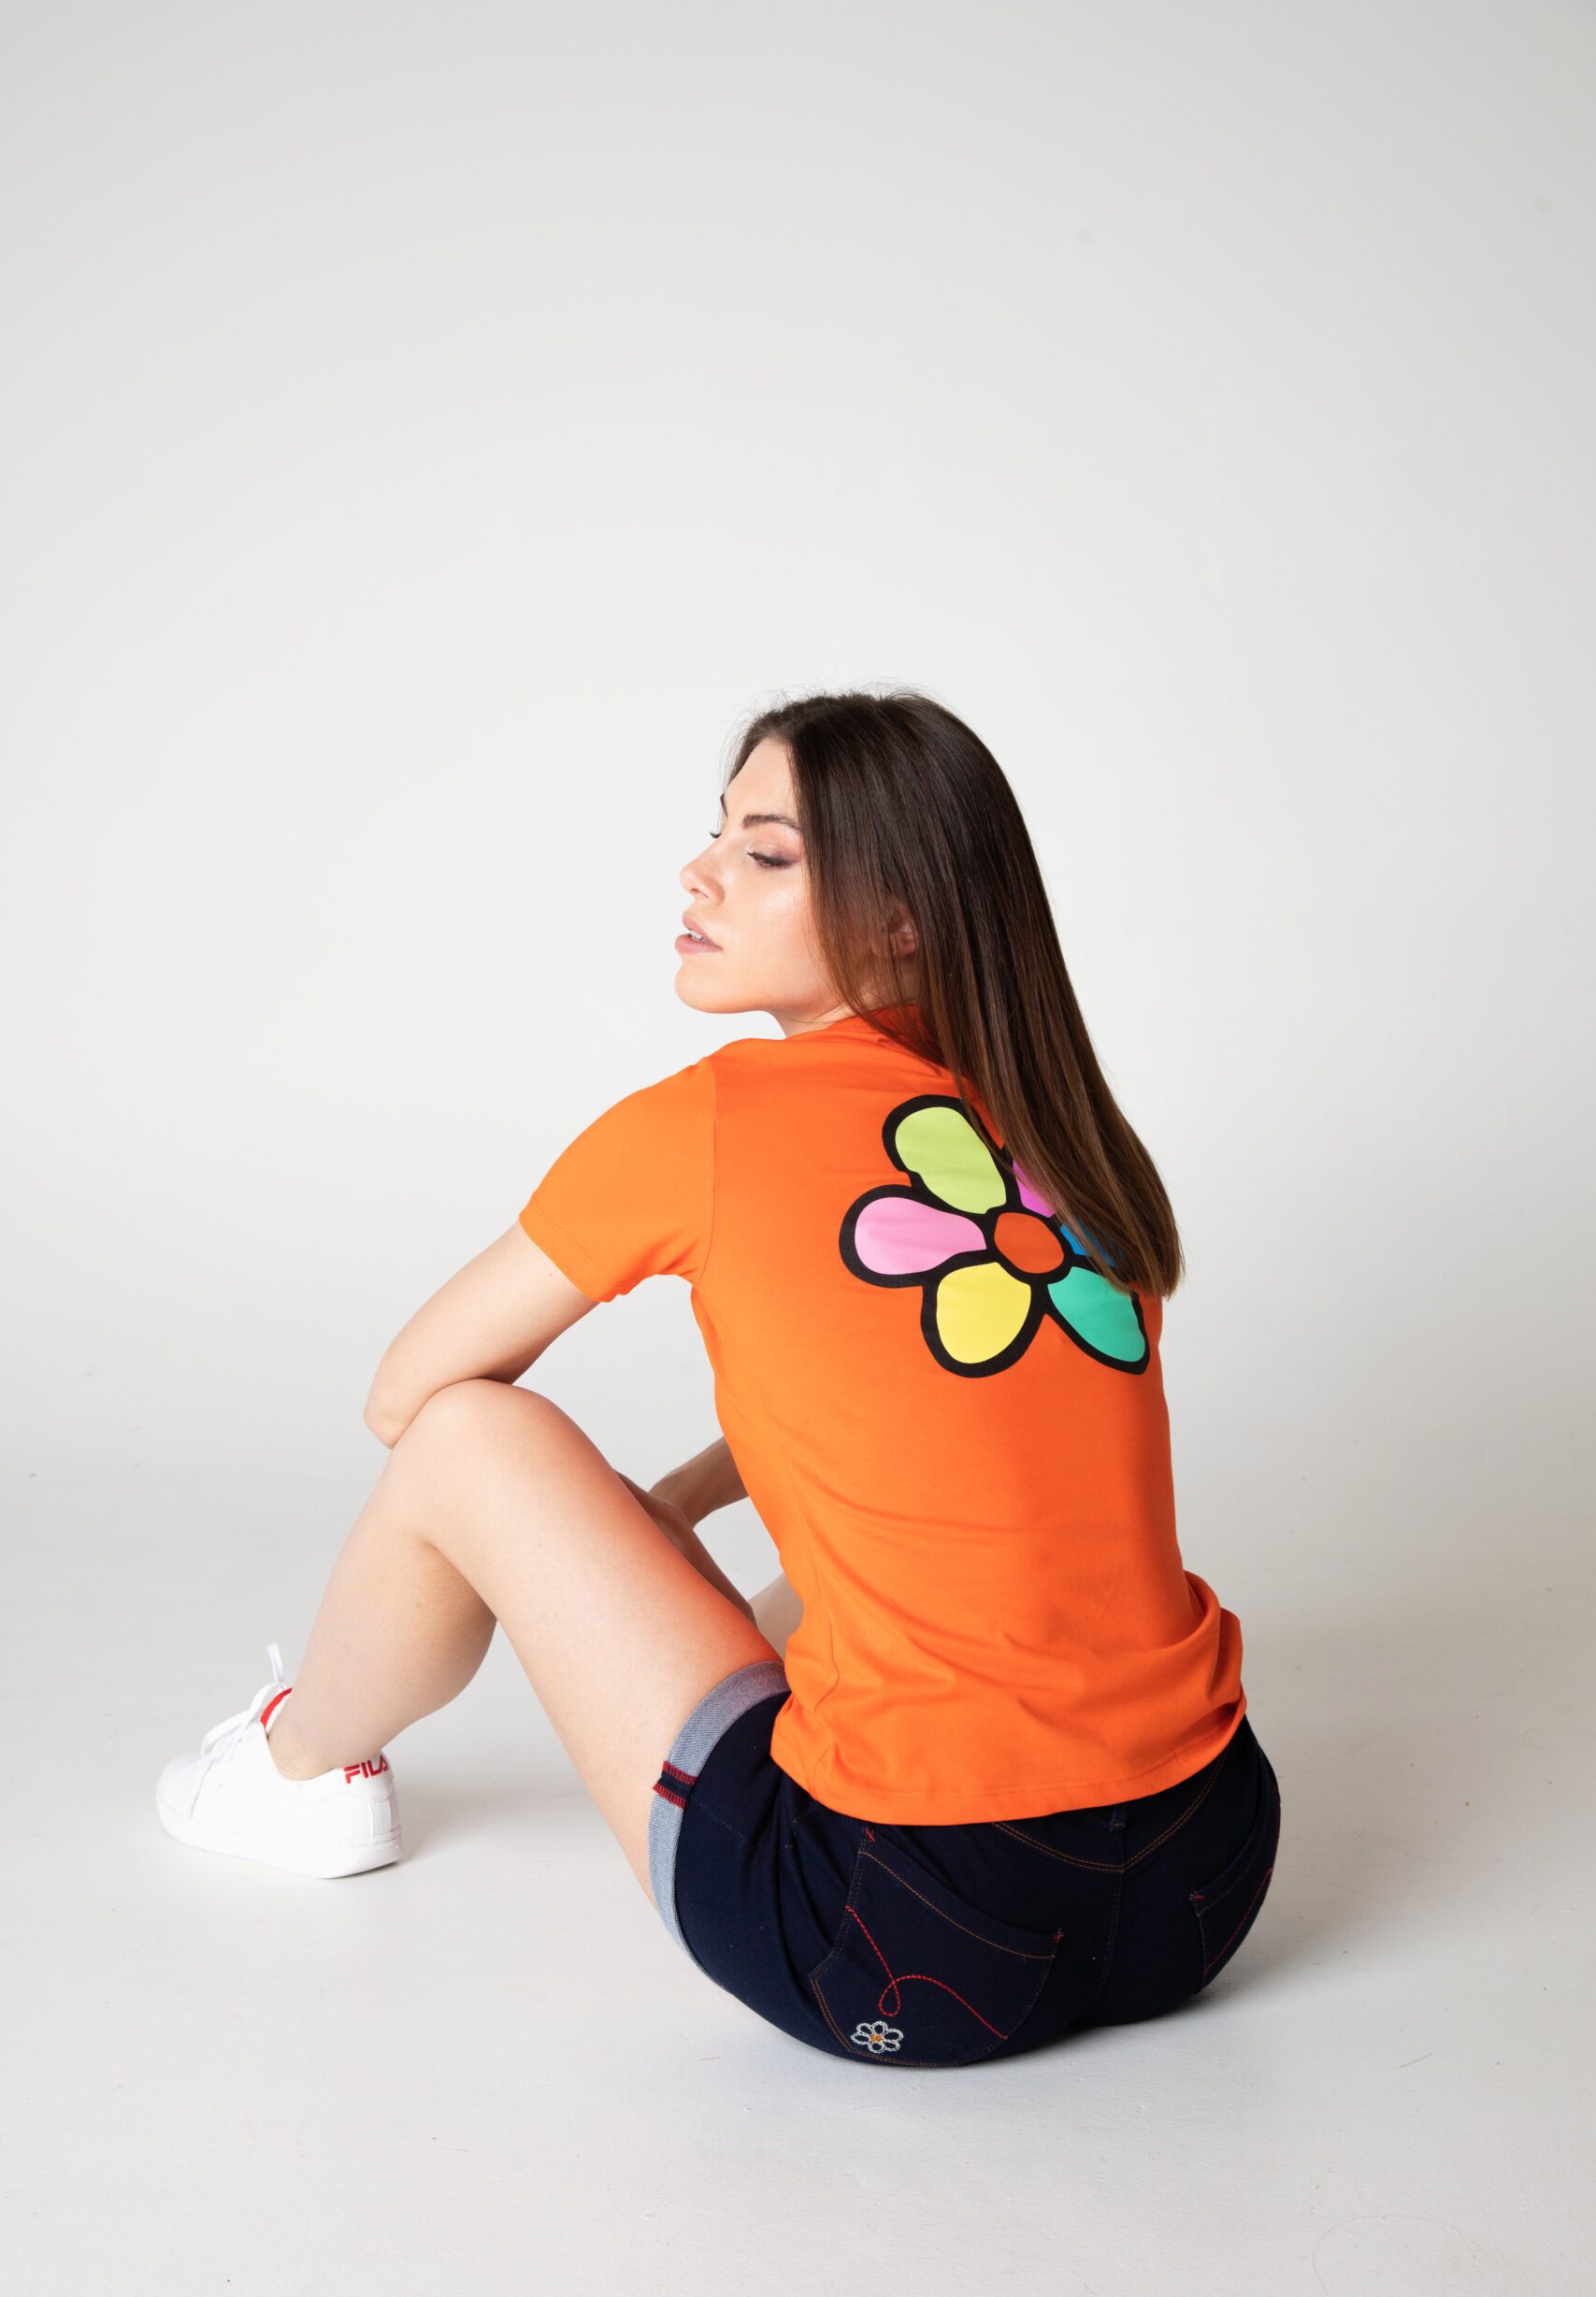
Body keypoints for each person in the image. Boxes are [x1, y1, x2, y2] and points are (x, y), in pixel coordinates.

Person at [154, 687, 1282, 2067]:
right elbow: (923, 1407)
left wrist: (608, 1531)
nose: (700, 874)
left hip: (904, 1933)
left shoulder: (713, 1120)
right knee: (907, 1544)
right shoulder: (1066, 1139)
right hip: (1203, 1882)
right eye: (718, 836)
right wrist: (677, 1508)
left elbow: (408, 1398)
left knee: (465, 1438)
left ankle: (296, 1772)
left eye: (766, 852)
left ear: (903, 918)